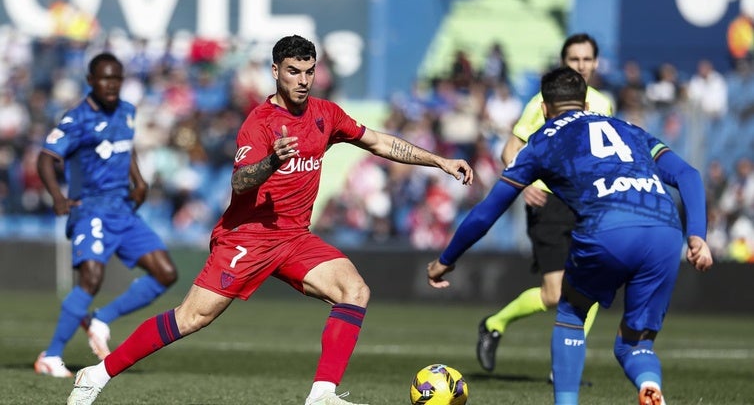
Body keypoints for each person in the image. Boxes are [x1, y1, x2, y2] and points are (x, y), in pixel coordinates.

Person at [66, 34, 473, 405]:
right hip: (247, 237)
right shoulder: (258, 124)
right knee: (191, 318)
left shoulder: (325, 113)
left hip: (294, 237)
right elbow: (240, 181)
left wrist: (438, 160)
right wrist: (271, 161)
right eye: (293, 71)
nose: (302, 80)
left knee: (354, 291)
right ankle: (96, 374)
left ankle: (322, 395)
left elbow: (379, 141)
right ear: (275, 71)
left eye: (309, 71)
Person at [426, 66, 713, 404]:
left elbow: (487, 212)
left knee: (571, 312)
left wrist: (446, 260)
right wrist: (697, 235)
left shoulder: (542, 142)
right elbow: (689, 175)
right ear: (587, 104)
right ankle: (649, 384)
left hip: (609, 228)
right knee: (635, 343)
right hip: (665, 230)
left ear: (545, 109)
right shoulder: (630, 129)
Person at [475, 33, 614, 373]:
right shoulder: (542, 102)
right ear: (563, 63)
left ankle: (564, 367)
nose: (580, 66)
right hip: (548, 202)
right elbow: (510, 148)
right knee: (553, 295)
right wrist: (522, 184)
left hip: (587, 204)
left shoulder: (603, 104)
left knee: (593, 285)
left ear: (595, 63)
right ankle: (494, 323)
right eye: (574, 60)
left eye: (586, 59)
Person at [35, 52, 178, 378]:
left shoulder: (127, 112)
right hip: (90, 209)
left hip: (123, 209)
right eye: (105, 78)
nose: (111, 85)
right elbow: (45, 158)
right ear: (91, 81)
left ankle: (100, 318)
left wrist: (139, 181)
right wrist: (57, 196)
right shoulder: (77, 119)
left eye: (117, 79)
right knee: (92, 278)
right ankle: (51, 355)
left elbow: (125, 148)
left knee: (166, 273)